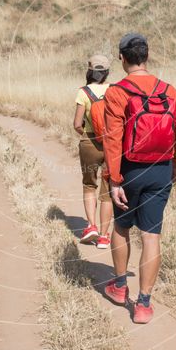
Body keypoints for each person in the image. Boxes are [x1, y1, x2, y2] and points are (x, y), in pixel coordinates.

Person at [102, 33, 176, 323]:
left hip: (129, 171)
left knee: (122, 227)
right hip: (161, 169)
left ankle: (119, 286)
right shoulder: (169, 91)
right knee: (152, 236)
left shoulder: (117, 92)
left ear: (121, 58)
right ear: (147, 56)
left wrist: (114, 179)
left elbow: (112, 140)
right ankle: (143, 304)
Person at [73, 54, 113, 248]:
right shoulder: (115, 90)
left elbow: (76, 125)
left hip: (89, 142)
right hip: (112, 144)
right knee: (108, 190)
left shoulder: (83, 92)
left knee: (89, 185)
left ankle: (92, 226)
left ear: (89, 70)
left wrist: (89, 132)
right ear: (107, 72)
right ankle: (105, 236)